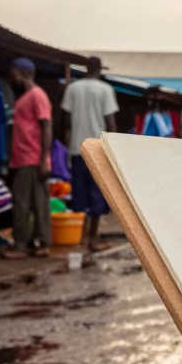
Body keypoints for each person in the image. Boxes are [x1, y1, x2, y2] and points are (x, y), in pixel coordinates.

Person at [62, 56, 118, 253]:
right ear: (100, 69)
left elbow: (66, 121)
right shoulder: (105, 90)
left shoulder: (73, 88)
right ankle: (93, 239)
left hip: (77, 149)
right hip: (97, 151)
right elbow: (110, 123)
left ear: (86, 68)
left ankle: (80, 237)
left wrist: (69, 143)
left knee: (79, 194)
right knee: (96, 195)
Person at [0, 58, 51, 260]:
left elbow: (46, 126)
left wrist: (44, 158)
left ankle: (25, 244)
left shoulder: (37, 96)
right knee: (27, 203)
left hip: (32, 157)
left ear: (26, 73)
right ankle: (33, 242)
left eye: (15, 74)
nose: (12, 79)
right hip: (22, 158)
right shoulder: (25, 98)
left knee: (28, 203)